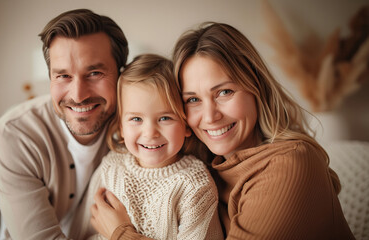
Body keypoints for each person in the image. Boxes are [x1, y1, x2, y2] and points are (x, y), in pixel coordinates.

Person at [90, 23, 356, 239]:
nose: (210, 116)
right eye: (192, 99)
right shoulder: (203, 162)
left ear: (256, 87)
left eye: (224, 92)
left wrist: (120, 233)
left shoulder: (289, 165)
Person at [0, 9, 128, 239]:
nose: (79, 95)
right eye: (63, 76)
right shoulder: (14, 135)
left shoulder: (139, 128)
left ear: (120, 74)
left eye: (94, 73)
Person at [84, 54, 223, 240]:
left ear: (186, 125)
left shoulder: (194, 186)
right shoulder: (111, 166)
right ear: (121, 127)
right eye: (136, 119)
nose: (150, 133)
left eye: (165, 118)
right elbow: (84, 229)